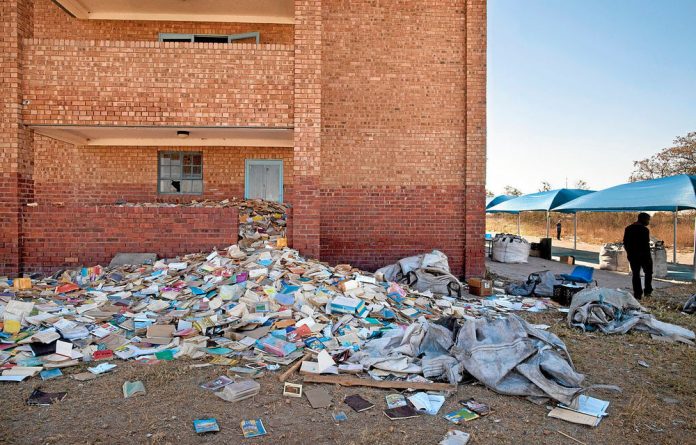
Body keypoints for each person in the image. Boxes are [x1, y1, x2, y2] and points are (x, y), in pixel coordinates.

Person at [623, 213, 653, 299]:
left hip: (633, 256)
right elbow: (645, 245)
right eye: (648, 220)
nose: (648, 222)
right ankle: (647, 292)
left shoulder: (628, 228)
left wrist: (629, 253)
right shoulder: (645, 230)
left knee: (636, 274)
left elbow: (625, 243)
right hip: (644, 256)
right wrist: (648, 257)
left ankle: (637, 294)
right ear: (643, 219)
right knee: (648, 273)